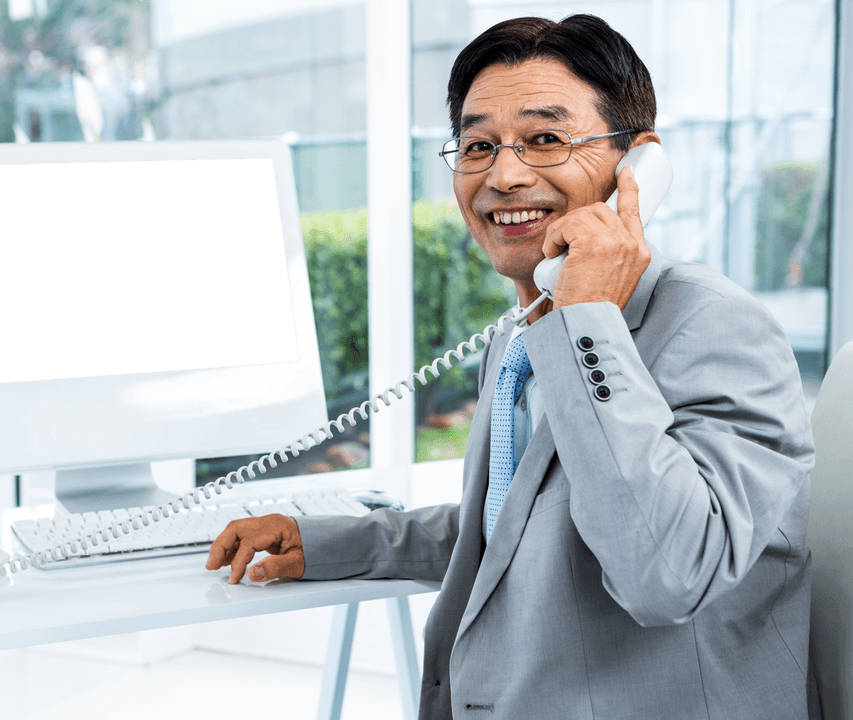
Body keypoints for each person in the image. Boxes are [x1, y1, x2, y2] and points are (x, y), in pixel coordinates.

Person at [206, 14, 816, 720]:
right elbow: (518, 526)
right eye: (478, 145)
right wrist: (330, 542)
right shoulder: (527, 332)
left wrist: (590, 323)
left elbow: (669, 573)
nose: (504, 174)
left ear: (638, 164)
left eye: (546, 139)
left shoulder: (714, 326)